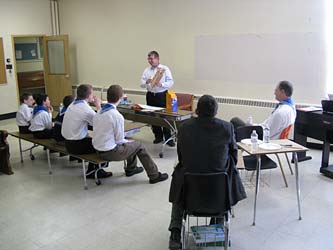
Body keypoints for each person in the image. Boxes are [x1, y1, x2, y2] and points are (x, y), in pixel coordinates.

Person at [168, 95, 246, 250]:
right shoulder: (227, 127)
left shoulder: (184, 127)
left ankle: (175, 232)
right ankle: (218, 221)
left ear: (196, 110)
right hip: (219, 193)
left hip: (189, 195)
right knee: (229, 169)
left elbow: (181, 156)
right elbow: (234, 155)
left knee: (180, 176)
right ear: (216, 111)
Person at [92, 85, 169, 184]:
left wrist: (128, 140)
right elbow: (120, 140)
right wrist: (128, 141)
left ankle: (132, 168)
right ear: (121, 97)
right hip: (110, 152)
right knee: (139, 145)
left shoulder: (98, 112)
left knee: (130, 141)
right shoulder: (116, 115)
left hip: (98, 149)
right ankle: (154, 175)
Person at [61, 84, 112, 179]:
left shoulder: (73, 104)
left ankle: (92, 169)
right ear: (89, 96)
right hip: (77, 145)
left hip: (67, 142)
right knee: (104, 144)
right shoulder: (85, 109)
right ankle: (95, 171)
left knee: (93, 140)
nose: (93, 96)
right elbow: (100, 122)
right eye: (92, 94)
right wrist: (98, 105)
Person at [231, 80, 296, 139]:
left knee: (234, 122)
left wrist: (252, 128)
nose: (274, 93)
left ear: (282, 92)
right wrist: (253, 125)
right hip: (268, 134)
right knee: (236, 126)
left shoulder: (280, 112)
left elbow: (267, 133)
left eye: (276, 90)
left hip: (264, 138)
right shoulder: (291, 108)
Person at [140, 50, 175, 146]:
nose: (150, 61)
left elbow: (171, 82)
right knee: (152, 116)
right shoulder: (146, 70)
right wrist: (146, 82)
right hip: (151, 95)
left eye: (152, 58)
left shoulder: (165, 69)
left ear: (157, 59)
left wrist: (161, 84)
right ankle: (158, 136)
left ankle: (168, 138)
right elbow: (141, 84)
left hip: (162, 95)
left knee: (165, 117)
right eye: (149, 59)